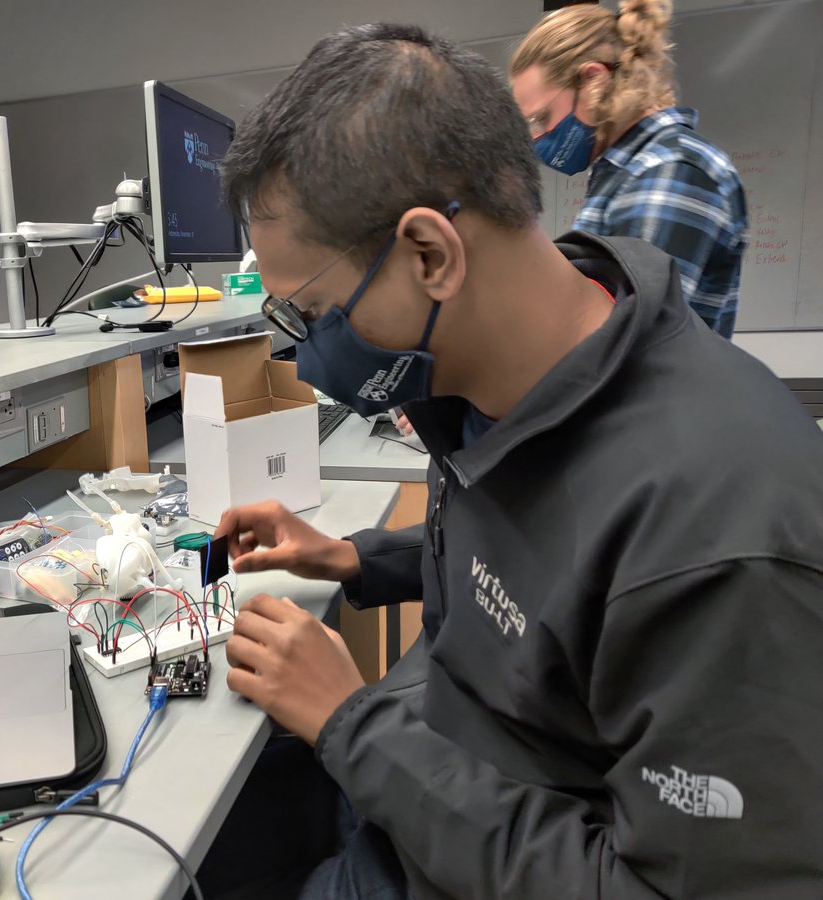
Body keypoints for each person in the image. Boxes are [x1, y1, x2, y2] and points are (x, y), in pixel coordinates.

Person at [212, 21, 823, 900]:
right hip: (424, 789)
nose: (305, 354)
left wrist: (353, 725)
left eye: (311, 314)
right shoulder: (482, 383)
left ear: (431, 255)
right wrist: (354, 558)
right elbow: (528, 574)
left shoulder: (719, 533)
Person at [512, 0, 747, 338]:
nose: (536, 138)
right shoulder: (622, 174)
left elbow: (632, 342)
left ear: (594, 79)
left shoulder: (669, 170)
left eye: (542, 118)